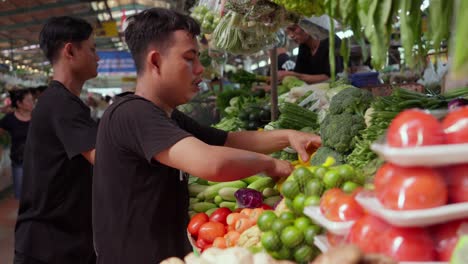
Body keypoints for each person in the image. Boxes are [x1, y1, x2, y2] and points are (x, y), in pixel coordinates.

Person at [92, 8, 321, 264]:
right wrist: (270, 164)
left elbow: (229, 140)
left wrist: (289, 136)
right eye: (189, 59)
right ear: (155, 61)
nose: (200, 69)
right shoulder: (132, 114)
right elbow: (212, 163)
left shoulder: (166, 116)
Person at [14, 16, 99, 264]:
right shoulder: (61, 104)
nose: (98, 57)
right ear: (70, 50)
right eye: (92, 49)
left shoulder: (62, 102)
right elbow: (104, 159)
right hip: (49, 247)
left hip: (59, 241)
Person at [279, 24, 344, 84]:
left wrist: (293, 75)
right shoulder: (303, 47)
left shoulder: (332, 41)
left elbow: (330, 77)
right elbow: (299, 73)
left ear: (306, 25)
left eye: (293, 29)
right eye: (288, 33)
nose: (291, 36)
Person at [0, 89, 34, 199]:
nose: (32, 103)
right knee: (20, 195)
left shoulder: (38, 117)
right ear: (19, 103)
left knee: (36, 194)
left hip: (38, 162)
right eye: (28, 100)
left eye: (32, 100)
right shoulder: (9, 119)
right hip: (19, 161)